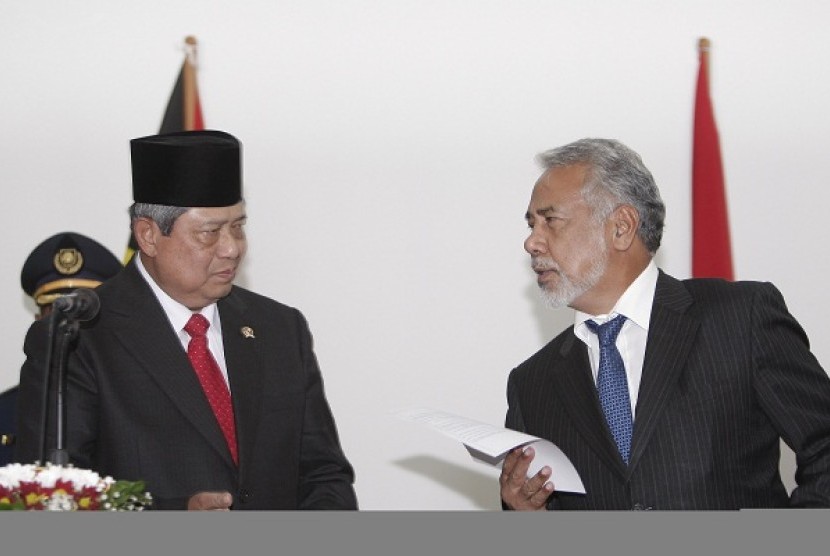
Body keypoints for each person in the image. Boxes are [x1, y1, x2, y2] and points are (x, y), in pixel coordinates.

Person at [15, 129, 358, 511]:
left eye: (238, 227)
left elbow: (324, 474)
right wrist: (174, 519)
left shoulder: (279, 327)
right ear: (148, 236)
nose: (232, 249)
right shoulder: (78, 336)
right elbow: (55, 496)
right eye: (210, 233)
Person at [499, 137, 830, 510]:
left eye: (550, 221)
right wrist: (528, 515)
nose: (532, 243)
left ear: (621, 227)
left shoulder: (739, 318)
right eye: (531, 225)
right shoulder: (532, 384)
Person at [1, 231, 122, 467]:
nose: (72, 325)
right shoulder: (5, 409)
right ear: (38, 321)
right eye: (60, 314)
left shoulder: (131, 405)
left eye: (85, 315)